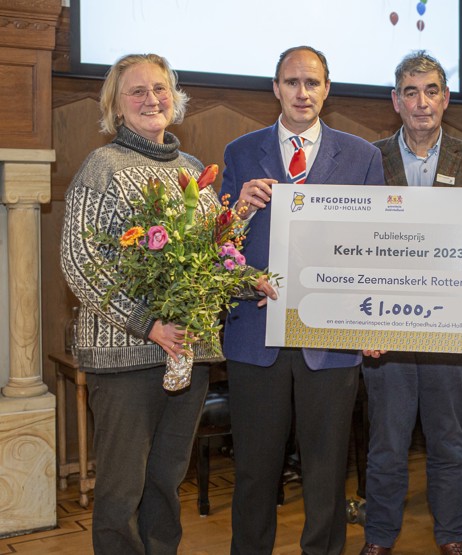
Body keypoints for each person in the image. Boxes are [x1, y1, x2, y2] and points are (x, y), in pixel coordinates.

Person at [219, 45, 385, 555]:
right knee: (253, 475)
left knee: (326, 475)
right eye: (292, 82)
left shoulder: (362, 156)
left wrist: (374, 321)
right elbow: (218, 245)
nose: (302, 92)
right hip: (255, 335)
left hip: (331, 339)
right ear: (276, 88)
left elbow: (377, 246)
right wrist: (240, 211)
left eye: (312, 83)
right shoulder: (241, 152)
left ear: (327, 89)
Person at [60, 53, 219, 554]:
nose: (151, 99)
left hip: (185, 356)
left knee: (166, 486)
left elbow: (214, 257)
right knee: (120, 493)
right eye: (137, 91)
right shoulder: (101, 166)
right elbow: (79, 260)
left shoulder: (194, 170)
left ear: (174, 97)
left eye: (160, 88)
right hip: (125, 358)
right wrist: (148, 324)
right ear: (116, 105)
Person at [359, 50, 462, 555]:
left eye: (432, 90)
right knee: (387, 446)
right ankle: (378, 539)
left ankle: (453, 537)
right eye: (411, 92)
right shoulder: (367, 158)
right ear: (396, 101)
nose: (422, 102)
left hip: (450, 331)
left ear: (445, 99)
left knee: (449, 444)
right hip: (386, 330)